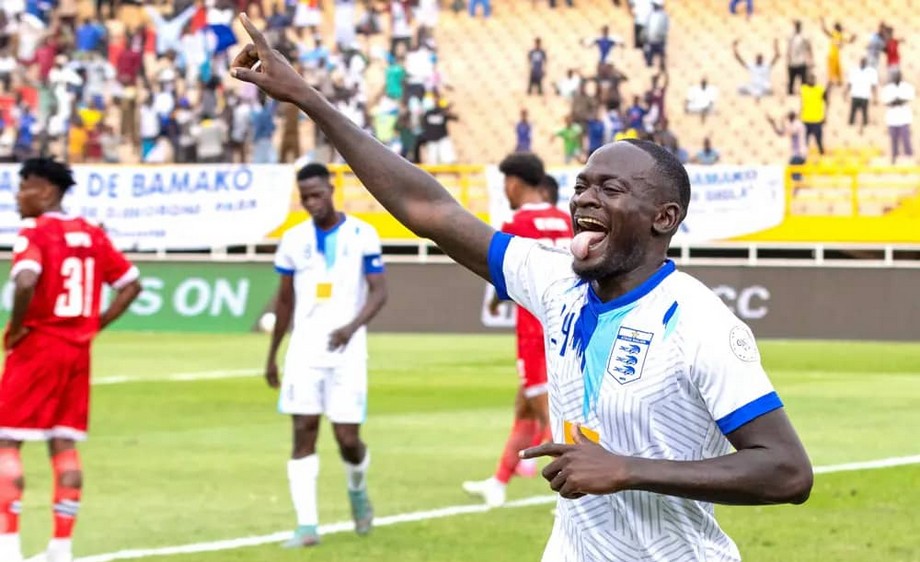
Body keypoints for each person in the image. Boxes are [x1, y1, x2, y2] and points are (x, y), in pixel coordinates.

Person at [231, 15, 814, 560]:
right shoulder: (555, 279)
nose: (584, 199)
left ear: (664, 217)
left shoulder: (698, 323)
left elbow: (787, 471)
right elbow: (428, 208)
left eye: (610, 190)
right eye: (582, 186)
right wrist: (309, 100)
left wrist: (627, 468)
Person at [0, 158, 142, 562]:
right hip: (77, 352)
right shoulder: (91, 233)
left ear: (46, 191)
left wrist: (19, 325)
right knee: (63, 443)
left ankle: (7, 547)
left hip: (39, 345)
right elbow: (132, 284)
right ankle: (61, 547)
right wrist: (94, 324)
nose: (17, 195)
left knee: (6, 439)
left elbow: (26, 279)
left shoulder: (34, 231)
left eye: (24, 186)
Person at [264, 163, 388, 548]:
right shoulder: (293, 240)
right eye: (305, 198)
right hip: (304, 353)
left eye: (317, 195)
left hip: (347, 354)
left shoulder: (363, 234)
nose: (312, 203)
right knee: (303, 434)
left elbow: (379, 291)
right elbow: (284, 301)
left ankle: (358, 489)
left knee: (347, 439)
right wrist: (272, 355)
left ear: (331, 189)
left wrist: (351, 328)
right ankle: (306, 527)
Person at [462, 153, 572, 507]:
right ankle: (499, 481)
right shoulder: (563, 219)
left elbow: (503, 273)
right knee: (525, 409)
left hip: (534, 331)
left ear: (513, 182)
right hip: (565, 324)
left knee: (547, 415)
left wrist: (495, 300)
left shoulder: (515, 223)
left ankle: (581, 500)